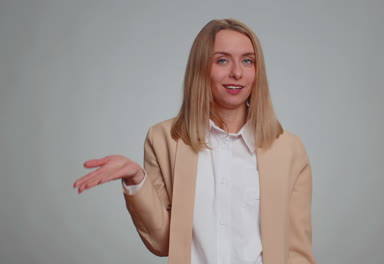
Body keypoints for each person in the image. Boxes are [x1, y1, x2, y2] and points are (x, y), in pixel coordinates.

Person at [73, 18, 316, 264]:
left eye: (247, 60)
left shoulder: (289, 148)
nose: (237, 72)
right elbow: (162, 243)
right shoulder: (164, 139)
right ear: (201, 67)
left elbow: (297, 251)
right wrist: (137, 180)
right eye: (222, 60)